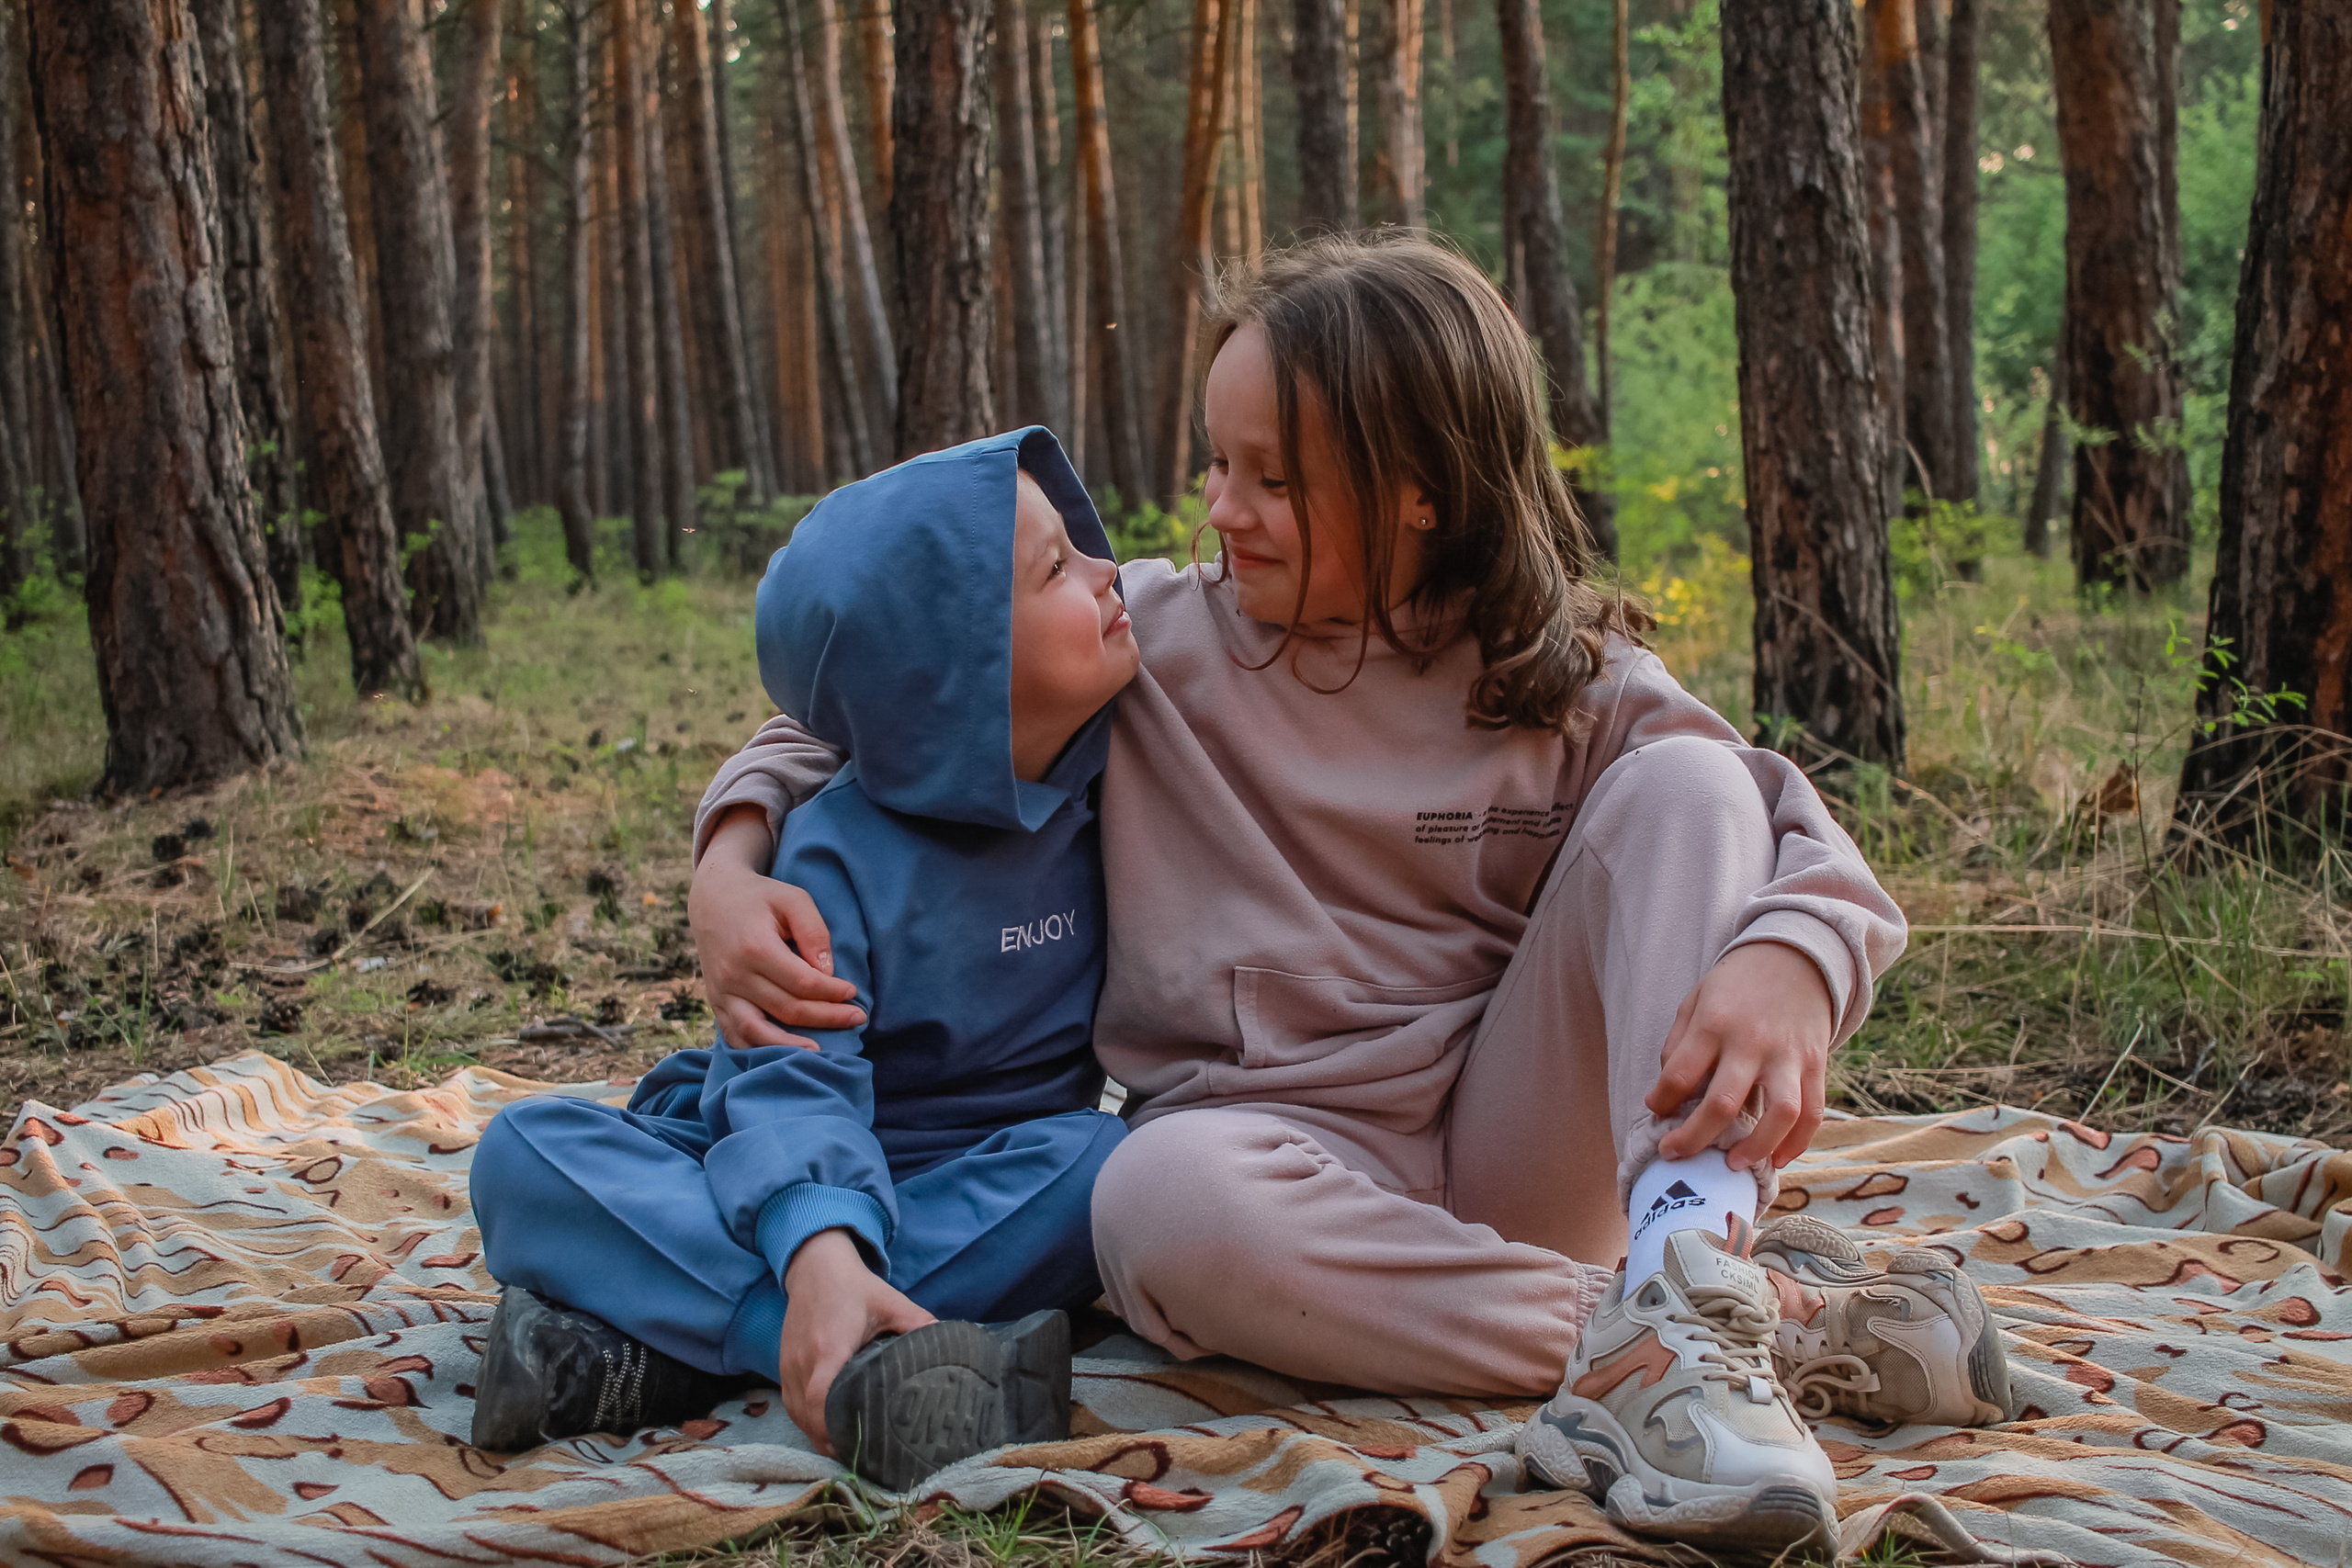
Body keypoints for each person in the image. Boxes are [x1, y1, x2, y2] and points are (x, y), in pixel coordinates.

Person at [686, 237, 2010, 1554]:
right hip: (1271, 1170)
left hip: (1518, 1151)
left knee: (1690, 789)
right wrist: (731, 863)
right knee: (1147, 1197)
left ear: (1419, 494)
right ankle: (1709, 1325)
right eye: (1216, 463)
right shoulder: (1149, 642)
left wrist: (1795, 955)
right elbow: (862, 714)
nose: (1219, 507)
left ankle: (1686, 1261)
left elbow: (1771, 813)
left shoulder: (1553, 675)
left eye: (1272, 478)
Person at [468, 428, 1139, 1493]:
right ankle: (833, 1341)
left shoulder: (1125, 775)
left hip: (987, 1178)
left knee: (1109, 1173)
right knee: (520, 1154)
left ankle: (638, 1356)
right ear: (954, 675)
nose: (1112, 572)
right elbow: (792, 1079)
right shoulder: (833, 851)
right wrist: (818, 1240)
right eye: (1058, 567)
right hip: (784, 1151)